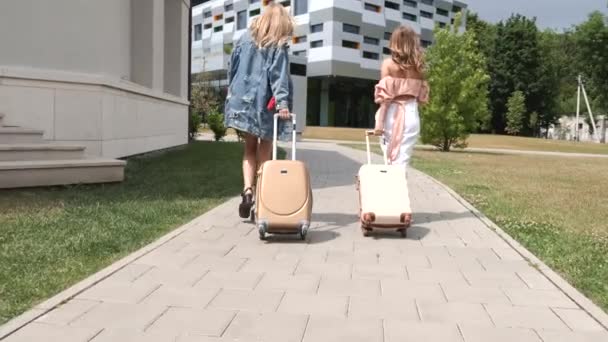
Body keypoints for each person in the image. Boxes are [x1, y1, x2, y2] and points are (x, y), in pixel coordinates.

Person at [224, 3, 295, 218]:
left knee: (248, 149)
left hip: (243, 101)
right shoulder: (278, 44)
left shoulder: (245, 38)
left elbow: (232, 69)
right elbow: (278, 76)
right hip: (265, 105)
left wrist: (231, 93)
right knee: (265, 151)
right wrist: (283, 104)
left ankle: (247, 192)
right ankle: (262, 198)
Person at [373, 25, 430, 226]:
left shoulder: (388, 65)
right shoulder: (420, 68)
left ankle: (394, 206)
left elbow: (385, 98)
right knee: (402, 161)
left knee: (390, 161)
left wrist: (379, 122)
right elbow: (422, 98)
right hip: (412, 113)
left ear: (394, 42)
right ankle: (398, 205)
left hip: (393, 113)